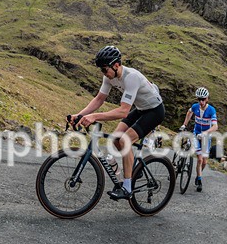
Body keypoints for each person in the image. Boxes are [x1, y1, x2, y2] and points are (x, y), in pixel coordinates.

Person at [73, 46, 165, 200]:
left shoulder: (131, 77)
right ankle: (134, 170)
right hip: (141, 108)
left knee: (125, 140)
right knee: (115, 138)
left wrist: (95, 117)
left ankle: (127, 188)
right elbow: (99, 99)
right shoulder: (109, 77)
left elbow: (123, 111)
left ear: (116, 65)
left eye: (104, 70)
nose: (104, 74)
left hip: (155, 111)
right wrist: (79, 115)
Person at [180, 87, 218, 192]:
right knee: (200, 159)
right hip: (196, 134)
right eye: (199, 99)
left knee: (205, 162)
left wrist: (205, 133)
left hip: (206, 137)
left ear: (207, 99)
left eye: (203, 99)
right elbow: (189, 113)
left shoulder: (211, 110)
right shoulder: (195, 107)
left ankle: (198, 175)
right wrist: (184, 124)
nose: (201, 102)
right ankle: (199, 180)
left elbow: (215, 127)